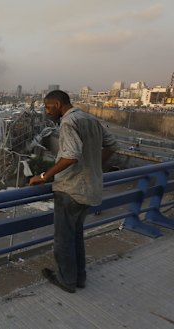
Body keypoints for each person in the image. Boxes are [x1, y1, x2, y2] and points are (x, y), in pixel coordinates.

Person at [29, 90, 117, 293]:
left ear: (58, 104)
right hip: (90, 189)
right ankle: (79, 277)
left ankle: (66, 280)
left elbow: (70, 157)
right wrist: (93, 165)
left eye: (48, 106)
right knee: (76, 235)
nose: (46, 110)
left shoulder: (68, 123)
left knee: (64, 239)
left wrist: (43, 177)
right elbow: (112, 145)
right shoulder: (90, 119)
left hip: (71, 190)